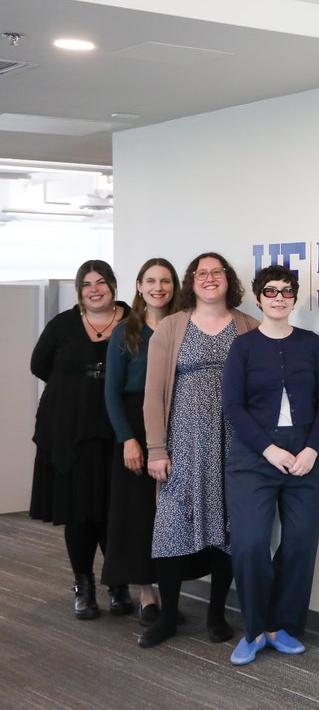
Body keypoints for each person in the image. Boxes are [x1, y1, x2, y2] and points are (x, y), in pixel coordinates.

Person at [139, 252, 259, 648]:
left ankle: (216, 613)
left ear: (229, 280)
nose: (209, 278)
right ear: (192, 281)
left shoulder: (248, 327)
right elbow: (153, 394)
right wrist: (156, 449)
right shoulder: (172, 327)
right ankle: (169, 615)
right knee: (170, 528)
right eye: (201, 273)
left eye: (217, 272)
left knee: (228, 530)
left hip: (233, 447)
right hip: (182, 445)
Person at [222, 264, 319, 665]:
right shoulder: (244, 347)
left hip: (305, 456)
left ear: (295, 297)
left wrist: (313, 449)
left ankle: (280, 626)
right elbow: (233, 407)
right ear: (258, 297)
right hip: (254, 457)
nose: (278, 297)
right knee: (251, 543)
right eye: (270, 291)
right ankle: (254, 630)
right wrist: (268, 449)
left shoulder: (311, 343)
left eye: (286, 291)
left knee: (301, 543)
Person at [30, 260, 131, 619]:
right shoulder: (63, 324)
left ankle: (118, 584)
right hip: (69, 431)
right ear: (79, 290)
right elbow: (38, 365)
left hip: (118, 431)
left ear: (113, 286)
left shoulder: (133, 322)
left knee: (114, 510)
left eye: (101, 282)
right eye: (87, 284)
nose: (94, 289)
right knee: (79, 511)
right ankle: (83, 586)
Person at [101, 258, 179, 626]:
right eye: (150, 280)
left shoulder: (184, 327)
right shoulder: (125, 331)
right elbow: (112, 393)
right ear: (138, 285)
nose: (158, 287)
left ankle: (170, 591)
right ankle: (148, 594)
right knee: (137, 514)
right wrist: (128, 440)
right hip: (134, 422)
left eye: (165, 280)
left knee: (170, 513)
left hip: (176, 422)